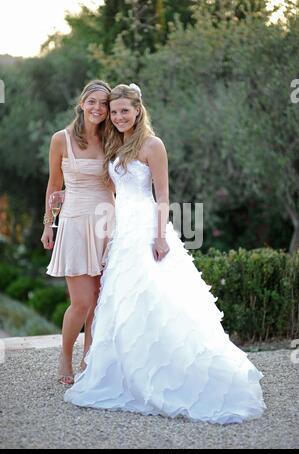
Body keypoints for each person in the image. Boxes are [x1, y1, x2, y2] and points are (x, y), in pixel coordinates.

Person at [64, 84, 266, 424]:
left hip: (146, 230)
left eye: (124, 110)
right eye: (114, 112)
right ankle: (126, 368)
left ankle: (168, 372)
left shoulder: (152, 145)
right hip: (121, 230)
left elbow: (162, 195)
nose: (118, 116)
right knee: (123, 300)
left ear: (138, 111)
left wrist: (159, 237)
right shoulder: (116, 144)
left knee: (157, 298)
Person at [41, 80, 115, 385]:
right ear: (82, 103)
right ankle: (65, 356)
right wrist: (48, 223)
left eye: (104, 104)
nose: (97, 108)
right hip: (73, 222)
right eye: (92, 101)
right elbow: (54, 185)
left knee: (99, 299)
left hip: (108, 222)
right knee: (82, 301)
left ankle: (90, 357)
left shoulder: (114, 139)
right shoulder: (62, 139)